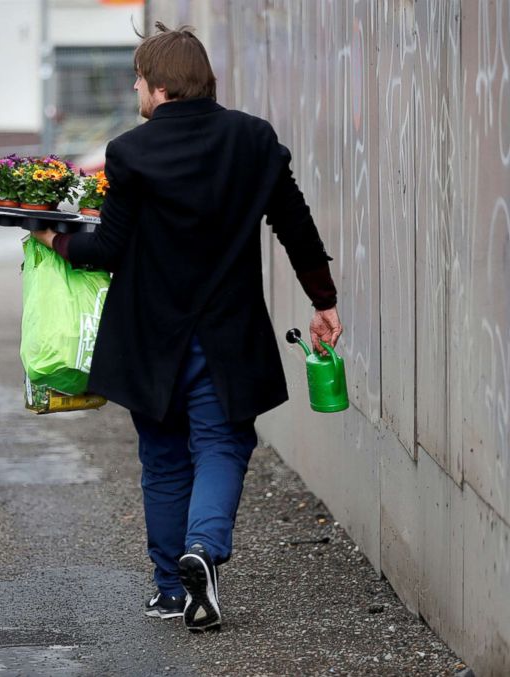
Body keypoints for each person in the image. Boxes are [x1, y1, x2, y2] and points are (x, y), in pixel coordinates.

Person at [32, 23, 343, 632]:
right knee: (223, 444)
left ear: (160, 88)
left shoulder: (131, 152)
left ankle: (172, 589)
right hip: (228, 336)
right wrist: (323, 298)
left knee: (165, 457)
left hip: (151, 339)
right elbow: (294, 222)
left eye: (139, 80)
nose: (136, 90)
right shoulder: (253, 140)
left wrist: (54, 237)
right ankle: (203, 551)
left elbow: (110, 248)